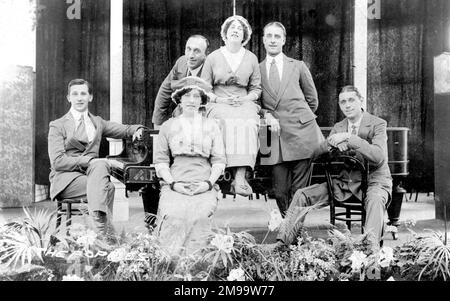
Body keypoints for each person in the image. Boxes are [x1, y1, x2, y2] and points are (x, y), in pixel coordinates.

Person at [276, 85, 392, 249]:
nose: (347, 105)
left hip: (375, 182)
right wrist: (330, 143)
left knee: (374, 200)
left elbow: (379, 157)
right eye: (342, 102)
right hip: (344, 185)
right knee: (302, 194)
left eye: (351, 100)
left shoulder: (378, 124)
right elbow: (316, 154)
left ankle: (370, 253)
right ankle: (283, 242)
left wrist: (349, 138)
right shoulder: (338, 127)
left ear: (361, 101)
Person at [48, 78, 144, 238]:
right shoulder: (58, 125)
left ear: (90, 97)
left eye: (83, 93)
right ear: (68, 98)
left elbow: (124, 129)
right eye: (75, 94)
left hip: (91, 177)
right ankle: (103, 233)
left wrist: (137, 129)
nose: (79, 98)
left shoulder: (98, 123)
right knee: (104, 177)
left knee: (107, 185)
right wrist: (91, 161)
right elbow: (58, 162)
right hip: (66, 180)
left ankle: (99, 232)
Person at [154, 76, 226, 256]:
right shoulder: (168, 126)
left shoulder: (212, 126)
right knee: (174, 216)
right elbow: (161, 161)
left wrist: (208, 184)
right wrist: (173, 184)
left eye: (196, 96)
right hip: (176, 184)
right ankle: (169, 266)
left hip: (203, 185)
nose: (192, 100)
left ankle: (197, 266)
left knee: (200, 218)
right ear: (179, 99)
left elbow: (219, 160)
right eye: (187, 96)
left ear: (202, 100)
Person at [259, 21, 324, 216]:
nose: (272, 40)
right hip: (272, 134)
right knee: (279, 192)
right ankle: (291, 230)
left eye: (277, 36)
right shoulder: (256, 69)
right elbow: (253, 102)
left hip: (301, 134)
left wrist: (299, 119)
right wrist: (266, 114)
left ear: (284, 40)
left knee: (299, 192)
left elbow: (312, 101)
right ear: (263, 40)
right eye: (269, 36)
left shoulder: (298, 66)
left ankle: (292, 235)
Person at [201, 15, 261, 197]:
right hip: (218, 102)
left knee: (249, 122)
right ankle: (223, 175)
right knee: (224, 120)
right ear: (225, 34)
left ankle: (240, 178)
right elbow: (204, 88)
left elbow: (256, 89)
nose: (236, 30)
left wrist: (245, 99)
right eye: (232, 27)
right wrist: (220, 100)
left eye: (240, 28)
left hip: (244, 102)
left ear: (245, 35)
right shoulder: (213, 57)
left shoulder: (251, 58)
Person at [152, 35, 210, 129]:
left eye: (197, 51)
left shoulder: (212, 67)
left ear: (206, 54)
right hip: (181, 114)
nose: (191, 55)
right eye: (188, 49)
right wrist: (158, 125)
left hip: (205, 117)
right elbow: (164, 91)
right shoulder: (181, 62)